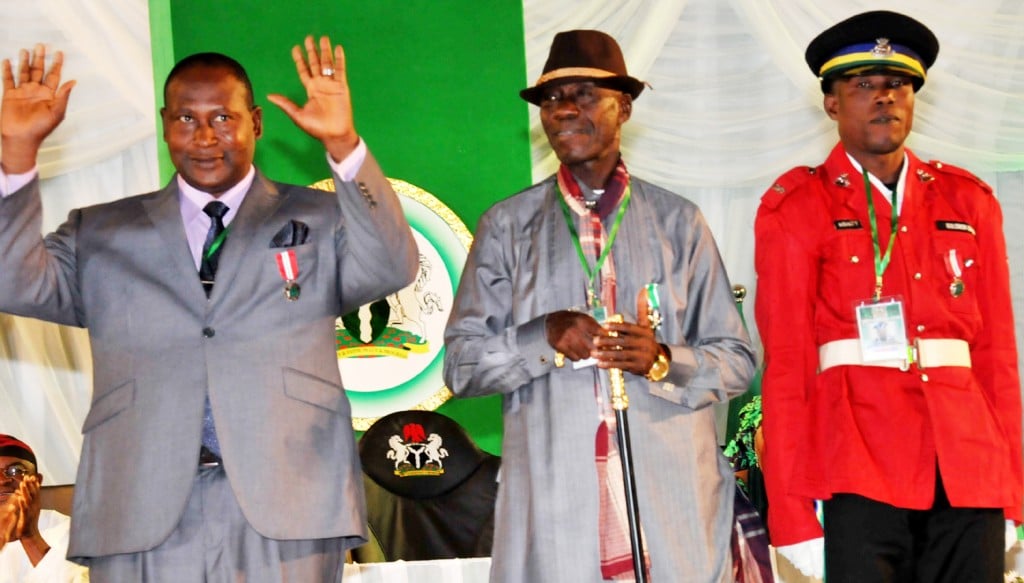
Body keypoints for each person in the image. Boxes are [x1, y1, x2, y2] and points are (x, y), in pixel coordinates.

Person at [0, 36, 417, 582]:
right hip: (139, 506)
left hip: (288, 503)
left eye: (223, 117)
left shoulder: (319, 217)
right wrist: (15, 156)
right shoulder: (100, 231)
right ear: (164, 122)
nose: (204, 137)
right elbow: (13, 281)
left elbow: (391, 265)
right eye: (185, 119)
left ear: (257, 122)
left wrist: (344, 145)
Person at [443, 29, 755, 582]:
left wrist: (662, 360)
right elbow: (461, 366)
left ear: (625, 106)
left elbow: (737, 359)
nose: (565, 110)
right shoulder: (507, 227)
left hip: (671, 505)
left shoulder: (678, 222)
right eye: (552, 99)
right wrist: (540, 335)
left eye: (585, 94)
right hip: (557, 508)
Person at [755, 10, 1022, 582]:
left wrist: (1015, 492)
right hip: (857, 463)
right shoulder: (796, 207)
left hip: (968, 462)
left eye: (897, 84)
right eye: (863, 85)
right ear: (831, 103)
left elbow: (998, 358)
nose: (884, 98)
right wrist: (791, 511)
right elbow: (787, 369)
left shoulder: (968, 201)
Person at [0, 435, 88, 583]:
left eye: (16, 470)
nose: (2, 480)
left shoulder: (71, 530)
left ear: (37, 480)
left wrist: (30, 536)